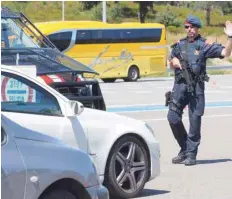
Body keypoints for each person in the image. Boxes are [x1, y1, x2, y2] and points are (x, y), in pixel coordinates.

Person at [167, 15, 232, 166]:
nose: (189, 30)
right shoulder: (179, 44)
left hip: (196, 88)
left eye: (192, 27)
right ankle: (184, 148)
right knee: (172, 117)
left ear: (197, 29)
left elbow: (225, 53)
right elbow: (169, 61)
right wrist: (173, 62)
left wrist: (230, 37)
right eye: (187, 27)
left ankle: (191, 153)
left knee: (194, 121)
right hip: (179, 87)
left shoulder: (203, 45)